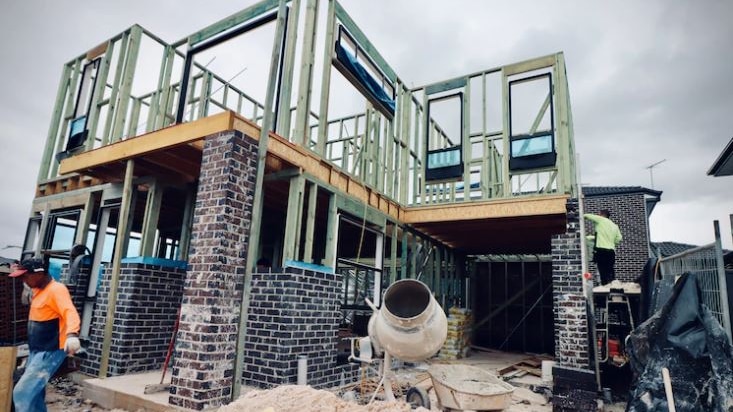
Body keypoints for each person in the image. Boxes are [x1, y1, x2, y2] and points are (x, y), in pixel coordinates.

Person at [10, 257, 81, 412]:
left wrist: (72, 334)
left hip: (50, 350)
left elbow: (70, 312)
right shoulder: (37, 289)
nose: (23, 280)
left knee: (22, 393)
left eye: (25, 276)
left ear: (39, 273)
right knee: (35, 395)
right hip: (36, 351)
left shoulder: (57, 289)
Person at [584, 209, 622, 285]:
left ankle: (605, 287)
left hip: (601, 251)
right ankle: (613, 286)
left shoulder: (601, 219)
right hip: (611, 252)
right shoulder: (615, 226)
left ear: (601, 214)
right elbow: (619, 238)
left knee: (602, 272)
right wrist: (611, 242)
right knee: (610, 270)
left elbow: (587, 216)